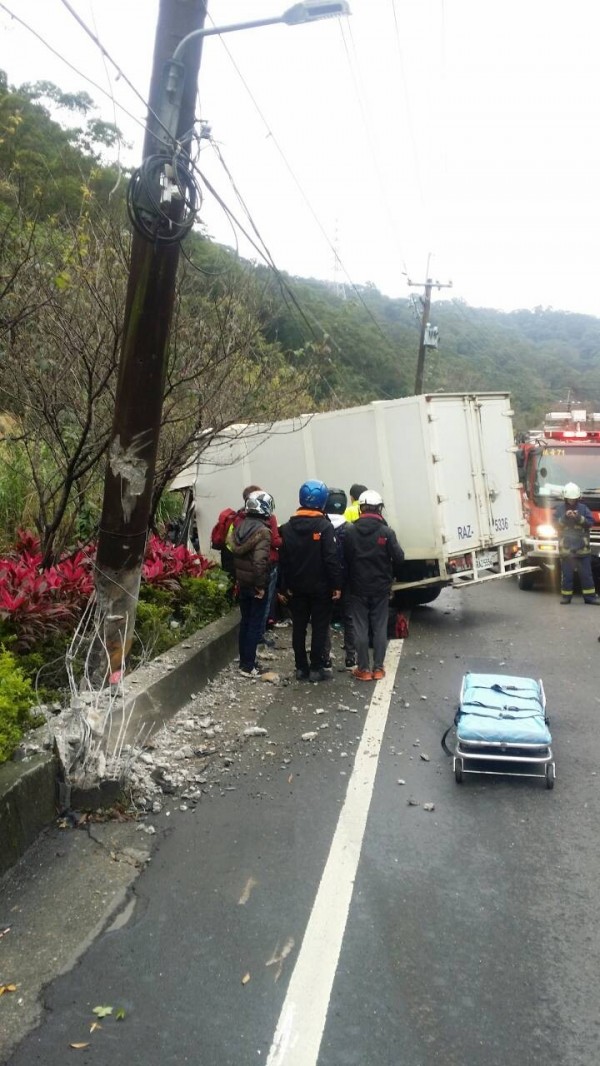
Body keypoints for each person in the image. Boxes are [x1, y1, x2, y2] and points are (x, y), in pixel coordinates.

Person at [279, 479, 343, 682]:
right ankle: (316, 668)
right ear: (323, 501)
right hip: (321, 588)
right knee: (319, 627)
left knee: (298, 628)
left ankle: (300, 668)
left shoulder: (287, 527)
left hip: (295, 588)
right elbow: (331, 559)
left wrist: (283, 587)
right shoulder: (324, 526)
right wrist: (336, 585)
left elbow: (283, 560)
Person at [343, 489, 405, 681]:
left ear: (361, 508)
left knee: (360, 627)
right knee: (379, 627)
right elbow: (399, 558)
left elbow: (344, 559)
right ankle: (378, 668)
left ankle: (363, 669)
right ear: (379, 508)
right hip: (380, 587)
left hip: (357, 587)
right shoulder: (386, 532)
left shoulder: (350, 531)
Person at [229, 491, 273, 676]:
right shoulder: (263, 531)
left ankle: (244, 661)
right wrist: (261, 586)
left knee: (245, 622)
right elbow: (259, 562)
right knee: (255, 624)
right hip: (255, 585)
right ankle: (249, 665)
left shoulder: (239, 527)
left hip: (243, 582)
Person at [324, 487, 356, 669]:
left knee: (325, 619)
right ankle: (351, 658)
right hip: (348, 580)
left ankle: (326, 658)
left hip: (326, 580)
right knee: (349, 618)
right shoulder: (351, 528)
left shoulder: (322, 526)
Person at [554, 483, 600, 605]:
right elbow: (555, 525)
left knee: (586, 575)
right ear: (565, 497)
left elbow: (590, 523)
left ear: (578, 498)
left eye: (574, 499)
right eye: (570, 499)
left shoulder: (584, 509)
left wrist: (579, 517)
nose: (572, 501)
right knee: (567, 575)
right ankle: (566, 597)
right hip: (567, 550)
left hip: (582, 549)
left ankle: (590, 597)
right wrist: (565, 517)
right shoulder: (559, 510)